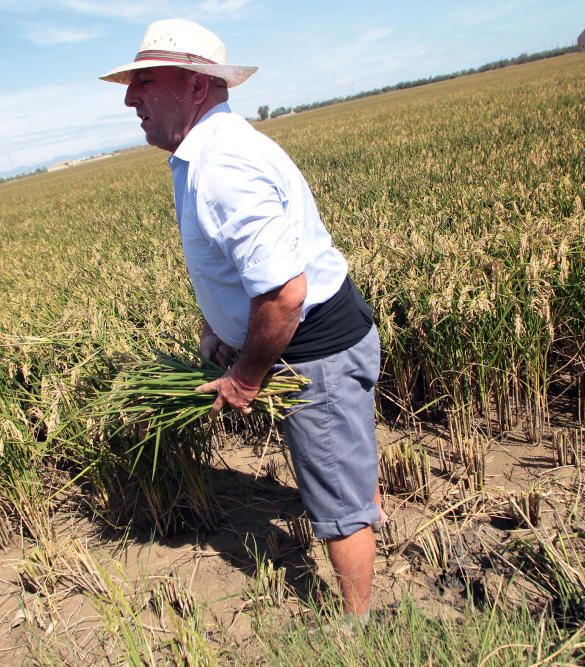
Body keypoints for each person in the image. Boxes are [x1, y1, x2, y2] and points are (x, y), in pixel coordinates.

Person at [100, 18, 383, 620]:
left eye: (145, 81)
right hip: (321, 338)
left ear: (197, 87)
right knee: (347, 467)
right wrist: (219, 331)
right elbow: (238, 272)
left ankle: (361, 630)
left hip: (316, 355)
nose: (130, 97)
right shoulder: (204, 153)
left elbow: (283, 296)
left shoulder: (222, 167)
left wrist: (246, 377)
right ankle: (364, 525)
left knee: (336, 502)